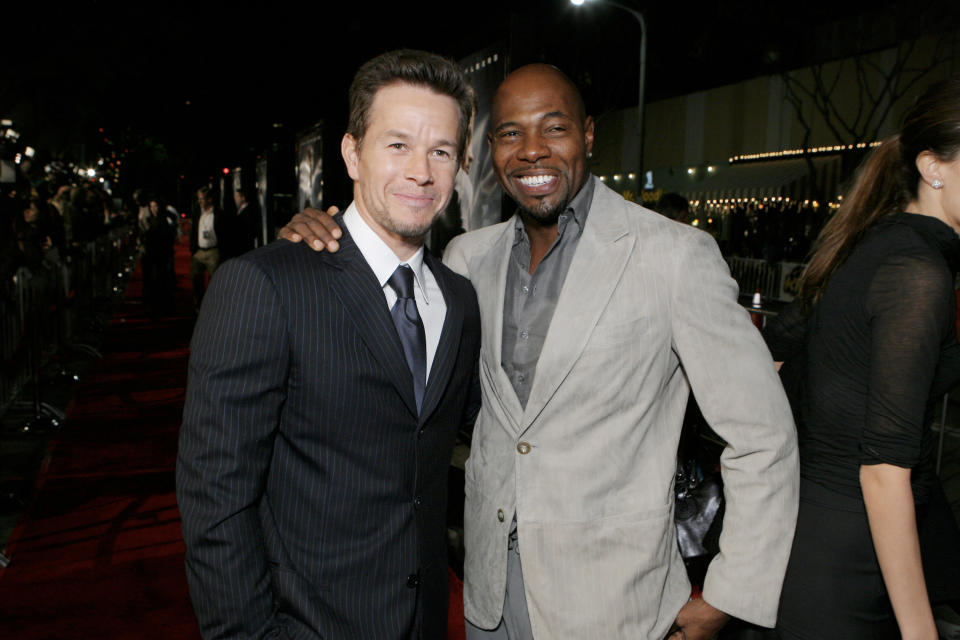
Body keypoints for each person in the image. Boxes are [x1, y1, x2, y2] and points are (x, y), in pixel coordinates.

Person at [281, 63, 799, 640]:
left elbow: (764, 437)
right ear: (489, 151)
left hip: (614, 607)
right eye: (509, 134)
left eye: (554, 129)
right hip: (488, 598)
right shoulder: (465, 260)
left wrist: (730, 595)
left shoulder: (674, 256)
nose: (531, 151)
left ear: (589, 135)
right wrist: (322, 237)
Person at [176, 49, 480, 639]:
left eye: (440, 151)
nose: (421, 170)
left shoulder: (460, 301)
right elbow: (215, 497)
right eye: (397, 145)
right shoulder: (265, 284)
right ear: (351, 153)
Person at [764, 76, 960, 640]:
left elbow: (770, 359)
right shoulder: (917, 274)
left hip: (805, 535)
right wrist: (920, 633)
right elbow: (882, 471)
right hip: (850, 565)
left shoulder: (864, 246)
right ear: (933, 167)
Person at [188, 185, 224, 309]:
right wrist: (193, 250)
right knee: (195, 278)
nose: (200, 201)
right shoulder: (197, 212)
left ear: (209, 199)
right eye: (199, 199)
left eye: (202, 198)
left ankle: (217, 307)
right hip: (199, 252)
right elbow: (193, 231)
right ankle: (200, 306)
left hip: (213, 252)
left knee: (216, 281)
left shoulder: (218, 214)